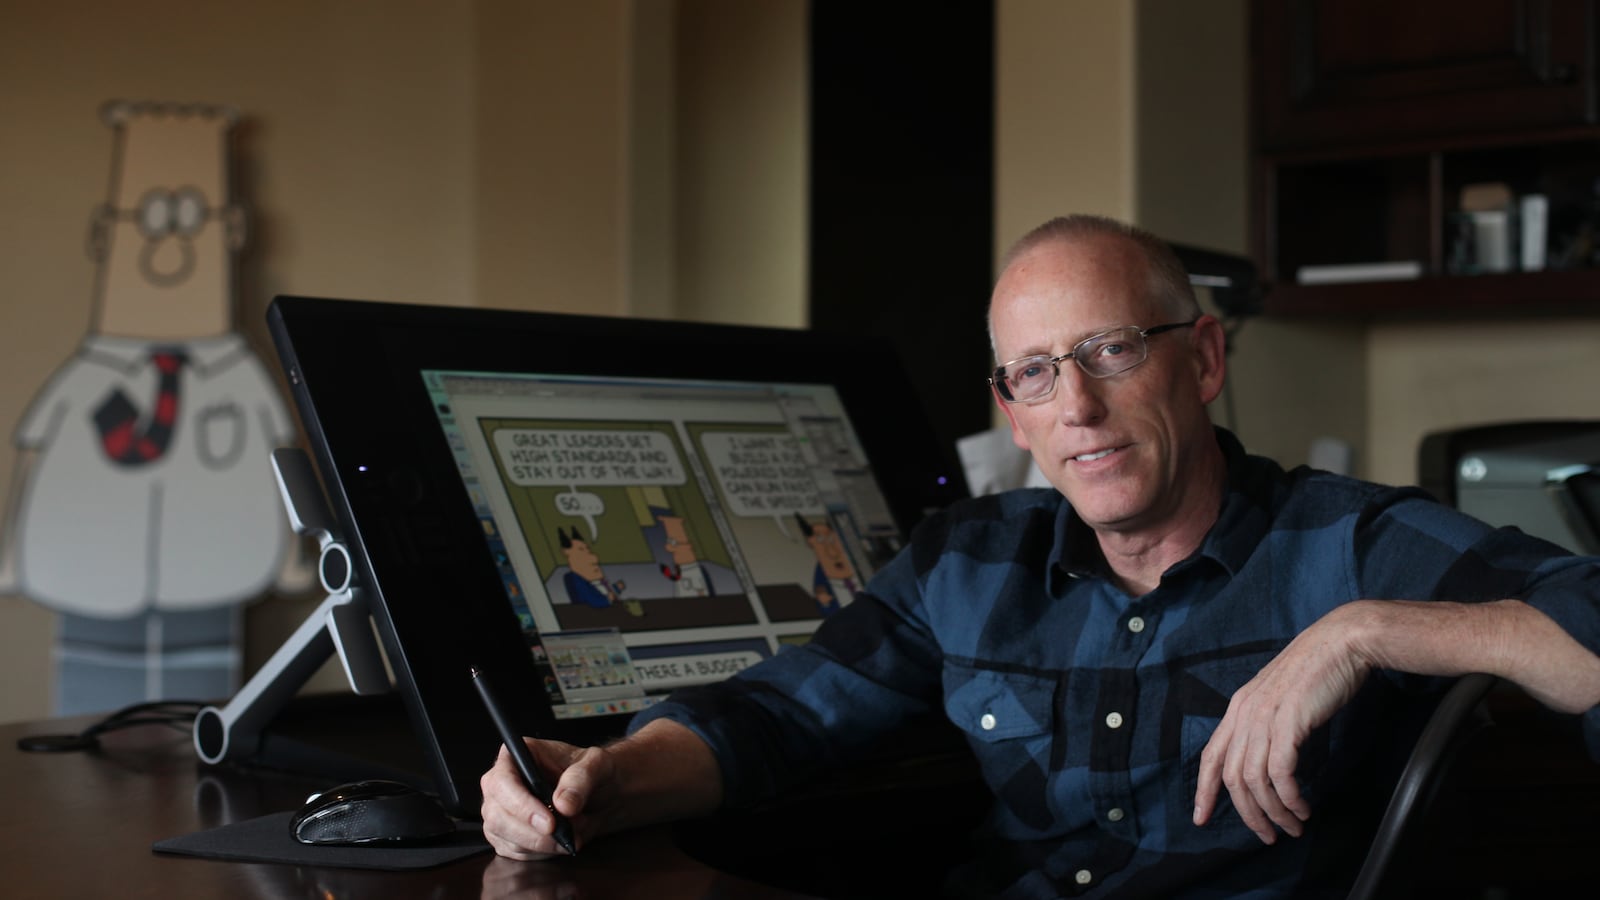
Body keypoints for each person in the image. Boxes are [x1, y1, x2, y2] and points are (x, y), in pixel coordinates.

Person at [481, 214, 1600, 897]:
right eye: (1033, 373)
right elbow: (779, 716)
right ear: (1010, 413)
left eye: (1112, 350)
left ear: (1203, 359)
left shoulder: (1345, 543)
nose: (1076, 404)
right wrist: (604, 781)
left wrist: (1366, 631)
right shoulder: (967, 561)